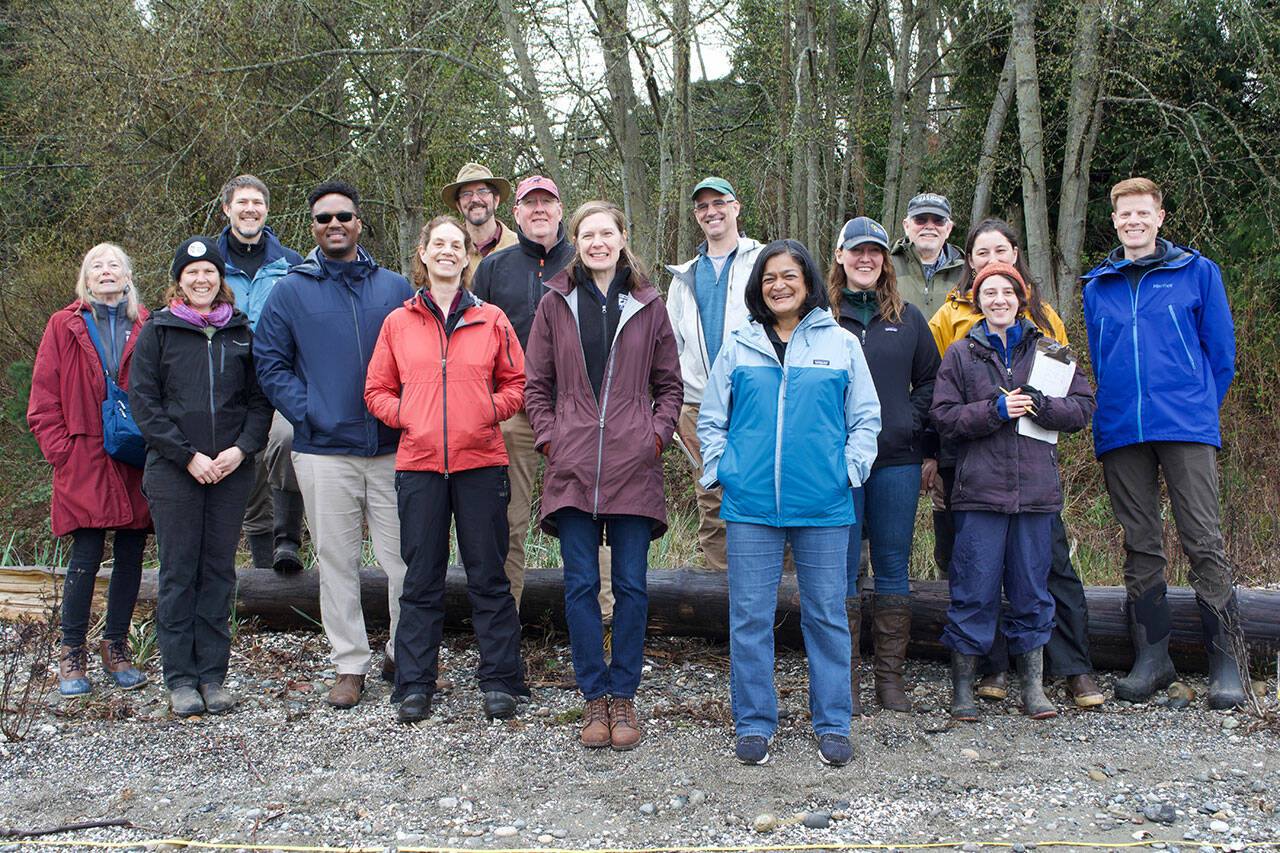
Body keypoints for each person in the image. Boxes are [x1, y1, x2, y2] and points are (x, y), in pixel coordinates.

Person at [698, 239, 880, 767]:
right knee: (750, 617)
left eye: (789, 276)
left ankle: (833, 724)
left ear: (808, 283)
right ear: (759, 286)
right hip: (751, 505)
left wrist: (846, 471)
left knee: (826, 616)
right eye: (769, 277)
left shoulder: (841, 342)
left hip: (823, 505)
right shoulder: (739, 345)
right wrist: (722, 470)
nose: (779, 285)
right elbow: (712, 419)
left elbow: (865, 419)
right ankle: (754, 723)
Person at [524, 200, 682, 751]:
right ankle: (594, 694)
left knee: (633, 588)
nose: (597, 242)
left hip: (633, 466)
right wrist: (551, 439)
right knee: (581, 586)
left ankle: (624, 695)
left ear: (620, 238)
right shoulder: (554, 303)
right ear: (576, 241)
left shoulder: (648, 304)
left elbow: (670, 387)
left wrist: (654, 437)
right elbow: (535, 387)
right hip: (570, 469)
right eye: (587, 234)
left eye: (606, 233)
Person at [1082, 177, 1245, 709]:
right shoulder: (1097, 285)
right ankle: (1153, 659)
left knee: (1203, 540)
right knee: (1140, 545)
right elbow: (1101, 357)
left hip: (1186, 426)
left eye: (1142, 213)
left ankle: (1229, 663)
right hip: (1122, 429)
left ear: (1159, 216)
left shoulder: (1198, 273)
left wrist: (1196, 406)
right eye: (1124, 214)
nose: (1133, 221)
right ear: (1114, 220)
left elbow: (1221, 355)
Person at [929, 218, 1103, 708]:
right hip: (979, 493)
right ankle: (964, 689)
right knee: (973, 590)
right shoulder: (962, 354)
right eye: (990, 292)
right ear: (977, 299)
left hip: (1035, 494)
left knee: (1033, 591)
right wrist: (993, 411)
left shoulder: (1049, 349)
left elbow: (1084, 407)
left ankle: (1033, 687)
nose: (999, 299)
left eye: (1008, 291)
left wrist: (1043, 406)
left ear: (1021, 297)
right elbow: (942, 417)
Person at [255, 181, 413, 709]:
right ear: (313, 227)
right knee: (338, 561)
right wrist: (308, 411)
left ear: (360, 223)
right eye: (323, 219)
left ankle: (404, 654)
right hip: (324, 452)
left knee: (403, 561)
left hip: (394, 447)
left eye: (344, 215)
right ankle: (349, 664)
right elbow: (270, 363)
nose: (334, 225)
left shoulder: (394, 289)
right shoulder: (290, 291)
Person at [365, 216, 529, 724]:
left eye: (455, 245)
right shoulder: (398, 322)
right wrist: (408, 417)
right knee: (421, 579)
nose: (447, 252)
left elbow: (517, 384)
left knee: (489, 576)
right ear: (424, 253)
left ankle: (501, 680)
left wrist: (486, 409)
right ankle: (415, 683)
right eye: (438, 244)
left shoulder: (492, 319)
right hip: (418, 466)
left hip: (481, 463)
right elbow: (376, 391)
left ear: (465, 257)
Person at [129, 237, 271, 716]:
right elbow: (145, 406)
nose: (202, 279)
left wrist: (241, 449)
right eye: (191, 273)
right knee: (178, 571)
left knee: (217, 571)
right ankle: (180, 679)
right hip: (174, 472)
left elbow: (259, 401)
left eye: (209, 271)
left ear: (221, 278)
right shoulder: (159, 331)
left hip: (230, 470)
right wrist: (187, 456)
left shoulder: (241, 332)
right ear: (179, 281)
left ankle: (213, 675)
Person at [472, 176, 612, 616]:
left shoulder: (586, 260)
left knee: (592, 514)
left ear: (559, 211)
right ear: (515, 213)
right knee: (508, 518)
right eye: (529, 203)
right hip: (512, 410)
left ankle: (602, 616)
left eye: (546, 203)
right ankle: (504, 620)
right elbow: (473, 340)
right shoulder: (493, 268)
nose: (538, 211)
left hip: (578, 409)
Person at [28, 243, 151, 696]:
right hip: (83, 454)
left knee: (132, 551)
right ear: (85, 277)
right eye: (96, 265)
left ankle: (116, 645)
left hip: (135, 455)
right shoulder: (65, 324)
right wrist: (62, 451)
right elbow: (42, 400)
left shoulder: (146, 322)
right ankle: (72, 651)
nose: (106, 271)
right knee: (85, 553)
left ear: (127, 276)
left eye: (114, 265)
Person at [828, 217, 939, 714]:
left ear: (885, 259)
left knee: (892, 568)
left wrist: (910, 426)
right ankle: (844, 679)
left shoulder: (910, 318)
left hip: (896, 459)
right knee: (843, 569)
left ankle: (889, 680)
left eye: (874, 251)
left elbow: (932, 383)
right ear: (840, 256)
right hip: (835, 461)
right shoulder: (821, 317)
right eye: (857, 252)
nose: (866, 259)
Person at [665, 177, 763, 570]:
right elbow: (671, 347)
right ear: (696, 217)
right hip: (698, 405)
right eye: (703, 207)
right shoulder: (683, 277)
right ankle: (720, 610)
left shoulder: (764, 261)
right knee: (712, 500)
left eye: (719, 202)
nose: (712, 212)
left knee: (764, 494)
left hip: (756, 401)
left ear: (736, 207)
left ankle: (779, 605)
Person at [214, 174, 306, 573]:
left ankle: (288, 541)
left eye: (257, 202)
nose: (249, 209)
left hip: (283, 376)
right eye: (241, 202)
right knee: (245, 458)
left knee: (287, 440)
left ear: (267, 210)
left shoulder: (292, 264)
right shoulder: (208, 265)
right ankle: (264, 564)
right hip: (229, 382)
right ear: (226, 209)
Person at [889, 192, 965, 320]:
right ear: (906, 226)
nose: (930, 226)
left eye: (938, 221)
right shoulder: (886, 265)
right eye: (920, 220)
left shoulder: (965, 272)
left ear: (948, 229)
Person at [441, 163, 518, 277]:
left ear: (496, 200)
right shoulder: (447, 255)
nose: (475, 199)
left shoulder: (519, 247)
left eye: (482, 191)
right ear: (459, 205)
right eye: (466, 194)